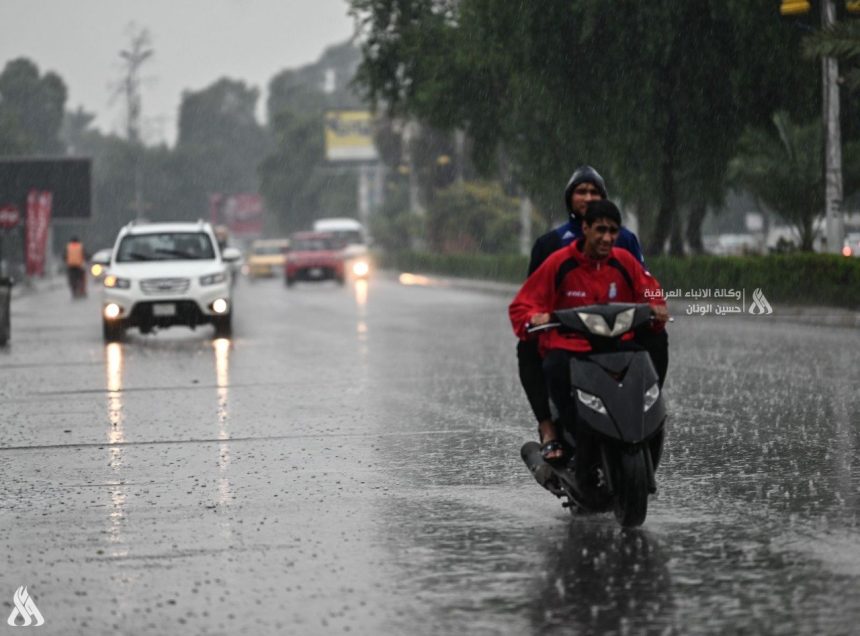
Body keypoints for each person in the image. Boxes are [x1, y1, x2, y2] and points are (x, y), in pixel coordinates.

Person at [517, 166, 661, 461]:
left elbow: (646, 285)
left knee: (659, 338)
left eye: (594, 192)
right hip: (569, 335)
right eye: (581, 192)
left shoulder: (626, 245)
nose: (587, 197)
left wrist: (655, 308)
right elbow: (532, 297)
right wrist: (537, 317)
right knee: (529, 347)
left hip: (618, 331)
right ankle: (549, 428)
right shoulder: (552, 248)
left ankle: (643, 407)